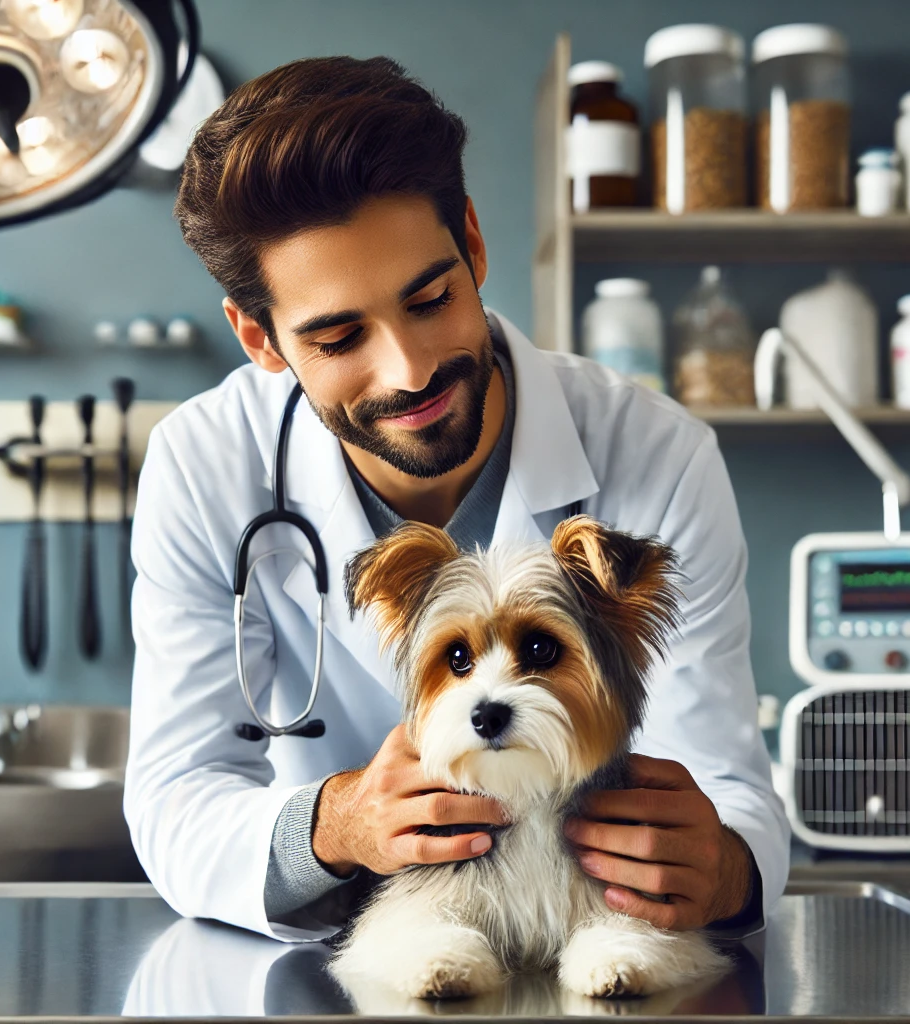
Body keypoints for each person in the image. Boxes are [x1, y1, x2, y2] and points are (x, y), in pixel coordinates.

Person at [124, 54, 790, 943]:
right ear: (260, 337)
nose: (410, 370)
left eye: (431, 298)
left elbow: (726, 787)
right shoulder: (204, 463)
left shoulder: (654, 452)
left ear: (472, 243)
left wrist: (724, 865)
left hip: (587, 935)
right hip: (352, 953)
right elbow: (175, 797)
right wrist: (337, 822)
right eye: (337, 336)